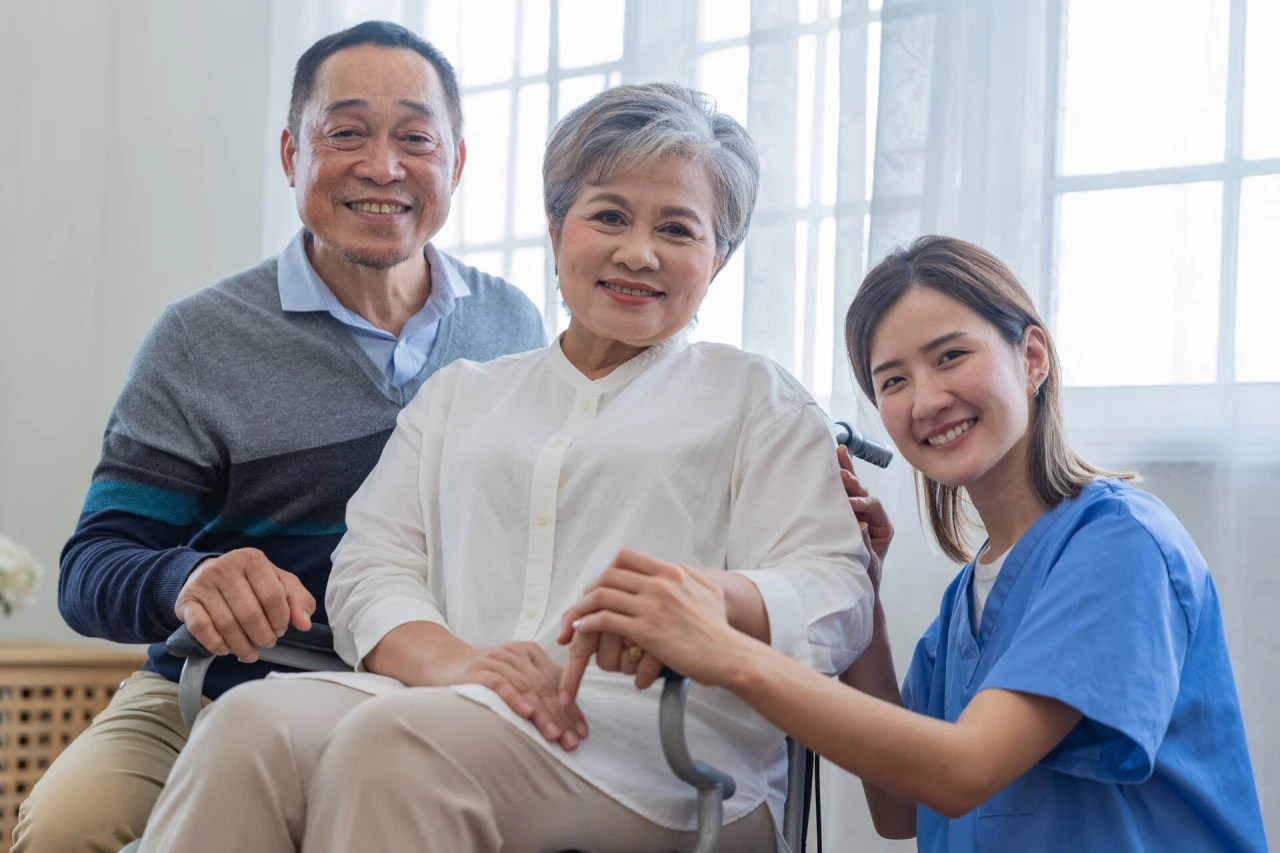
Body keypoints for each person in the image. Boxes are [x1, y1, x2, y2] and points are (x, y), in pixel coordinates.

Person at [136, 81, 874, 853]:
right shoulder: (461, 395)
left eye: (679, 229)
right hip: (439, 698)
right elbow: (371, 567)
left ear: (717, 258)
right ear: (557, 229)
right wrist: (459, 666)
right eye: (609, 215)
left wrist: (709, 596)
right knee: (250, 722)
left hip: (665, 752)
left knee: (400, 741)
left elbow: (836, 588)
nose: (638, 252)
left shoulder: (758, 398)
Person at [13, 21, 546, 853]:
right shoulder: (201, 338)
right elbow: (90, 571)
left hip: (438, 691)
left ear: (458, 163)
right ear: (292, 154)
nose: (383, 166)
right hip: (216, 688)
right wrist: (188, 577)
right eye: (346, 134)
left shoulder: (514, 322)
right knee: (68, 827)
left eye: (415, 137)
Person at [559, 235, 1269, 852]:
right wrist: (860, 599)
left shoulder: (1121, 546)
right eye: (892, 380)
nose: (925, 400)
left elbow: (962, 769)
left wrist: (725, 648)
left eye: (950, 355)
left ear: (1032, 355)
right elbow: (898, 809)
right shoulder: (968, 601)